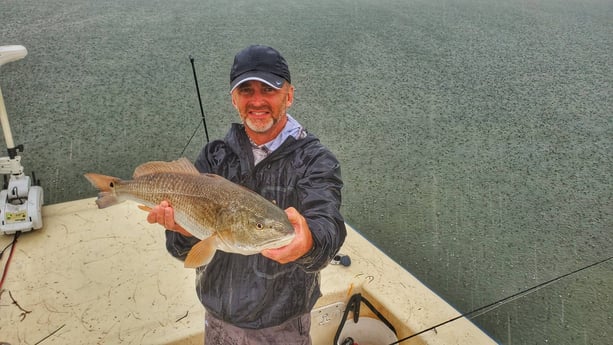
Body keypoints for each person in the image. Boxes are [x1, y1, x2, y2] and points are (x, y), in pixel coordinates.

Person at [146, 44, 346, 344]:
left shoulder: (315, 161)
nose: (257, 101)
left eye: (269, 90)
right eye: (246, 91)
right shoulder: (215, 156)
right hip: (217, 320)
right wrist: (181, 230)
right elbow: (183, 251)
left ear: (289, 95)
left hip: (281, 327)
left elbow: (327, 224)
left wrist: (309, 243)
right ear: (233, 99)